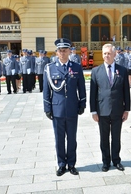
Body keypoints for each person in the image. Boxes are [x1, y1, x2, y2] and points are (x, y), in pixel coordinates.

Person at [43, 38, 86, 176]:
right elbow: (46, 90)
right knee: (59, 139)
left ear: (69, 51)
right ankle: (61, 164)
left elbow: (81, 88)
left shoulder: (76, 67)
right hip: (57, 110)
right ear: (56, 52)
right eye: (60, 51)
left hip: (72, 108)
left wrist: (82, 103)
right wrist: (47, 108)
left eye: (65, 50)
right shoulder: (50, 68)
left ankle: (72, 164)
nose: (62, 53)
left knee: (72, 139)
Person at [90, 43, 130, 172]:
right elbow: (93, 93)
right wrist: (93, 111)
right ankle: (106, 162)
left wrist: (127, 109)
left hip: (118, 110)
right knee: (104, 138)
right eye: (105, 53)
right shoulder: (96, 71)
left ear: (114, 54)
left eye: (109, 53)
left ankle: (116, 160)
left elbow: (126, 92)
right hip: (102, 110)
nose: (107, 56)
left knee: (116, 137)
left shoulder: (122, 70)